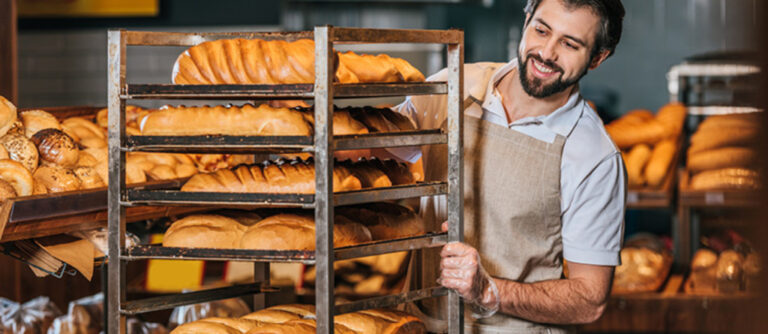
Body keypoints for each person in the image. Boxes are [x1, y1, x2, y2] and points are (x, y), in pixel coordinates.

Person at [386, 0, 627, 332]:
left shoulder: (593, 156)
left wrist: (488, 290)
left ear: (598, 58)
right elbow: (376, 147)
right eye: (541, 30)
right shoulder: (456, 86)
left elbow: (589, 299)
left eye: (569, 44)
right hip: (422, 324)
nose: (546, 52)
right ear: (527, 19)